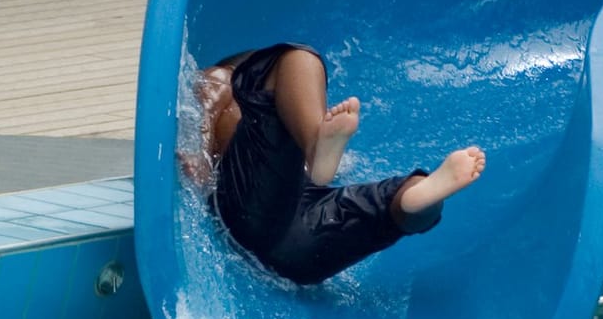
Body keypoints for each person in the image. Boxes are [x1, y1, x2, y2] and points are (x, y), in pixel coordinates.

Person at [184, 43, 485, 285]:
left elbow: (207, 106)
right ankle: (410, 197)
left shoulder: (268, 132)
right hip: (282, 233)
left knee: (295, 57)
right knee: (299, 57)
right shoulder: (225, 77)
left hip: (272, 220)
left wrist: (199, 153)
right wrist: (200, 150)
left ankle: (411, 195)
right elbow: (210, 98)